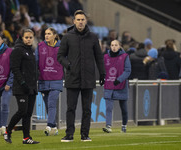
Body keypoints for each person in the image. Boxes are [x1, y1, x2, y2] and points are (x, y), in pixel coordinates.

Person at [57, 10, 105, 142]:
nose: (80, 22)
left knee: (87, 109)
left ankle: (85, 135)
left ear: (86, 21)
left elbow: (99, 57)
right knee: (70, 108)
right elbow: (60, 56)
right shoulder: (67, 37)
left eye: (82, 19)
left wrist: (102, 73)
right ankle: (69, 134)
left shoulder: (93, 37)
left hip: (88, 78)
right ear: (74, 21)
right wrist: (69, 65)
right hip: (72, 77)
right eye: (78, 20)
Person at [3, 29, 39, 144]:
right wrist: (23, 83)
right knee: (22, 111)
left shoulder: (31, 50)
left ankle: (26, 138)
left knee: (28, 114)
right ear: (22, 38)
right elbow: (15, 68)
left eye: (30, 37)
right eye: (26, 37)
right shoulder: (17, 50)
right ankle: (8, 131)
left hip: (32, 87)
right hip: (21, 87)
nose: (29, 39)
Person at [35, 27, 63, 136]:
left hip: (56, 79)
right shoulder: (40, 46)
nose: (46, 36)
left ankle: (48, 125)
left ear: (55, 35)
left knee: (51, 103)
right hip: (43, 79)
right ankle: (54, 127)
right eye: (45, 33)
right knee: (48, 105)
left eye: (49, 34)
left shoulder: (61, 47)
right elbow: (36, 62)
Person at [102, 40, 131, 133]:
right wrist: (102, 77)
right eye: (112, 45)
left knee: (124, 108)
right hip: (109, 84)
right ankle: (108, 125)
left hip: (121, 85)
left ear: (119, 46)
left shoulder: (125, 57)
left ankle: (124, 125)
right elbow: (102, 69)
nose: (114, 47)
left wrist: (119, 79)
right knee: (108, 108)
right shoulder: (105, 57)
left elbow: (127, 70)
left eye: (116, 45)